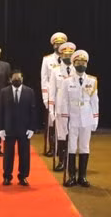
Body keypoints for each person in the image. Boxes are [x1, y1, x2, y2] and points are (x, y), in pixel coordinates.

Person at [57, 50, 99, 187]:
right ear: (74, 64)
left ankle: (82, 177)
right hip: (72, 118)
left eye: (83, 63)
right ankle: (71, 177)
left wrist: (95, 119)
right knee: (71, 147)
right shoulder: (67, 82)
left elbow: (94, 101)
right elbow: (63, 101)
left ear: (86, 64)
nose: (81, 65)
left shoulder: (92, 81)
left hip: (86, 118)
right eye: (78, 63)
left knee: (84, 146)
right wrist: (64, 119)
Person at [0, 70, 37, 186]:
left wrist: (32, 128)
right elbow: (0, 111)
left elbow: (33, 110)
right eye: (14, 79)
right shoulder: (4, 92)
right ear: (10, 80)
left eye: (19, 79)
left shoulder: (29, 92)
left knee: (24, 154)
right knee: (8, 154)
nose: (17, 81)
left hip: (24, 129)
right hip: (9, 128)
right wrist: (0, 128)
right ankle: (7, 176)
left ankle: (23, 176)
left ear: (22, 79)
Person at [49, 41, 76, 171]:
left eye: (70, 55)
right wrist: (51, 110)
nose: (67, 57)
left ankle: (71, 163)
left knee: (73, 136)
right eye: (65, 55)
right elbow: (52, 92)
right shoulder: (55, 71)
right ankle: (61, 161)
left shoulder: (77, 70)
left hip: (74, 109)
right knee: (61, 135)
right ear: (61, 55)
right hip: (60, 108)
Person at [41, 32, 68, 157]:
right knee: (52, 123)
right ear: (53, 45)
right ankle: (52, 148)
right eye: (57, 44)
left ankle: (62, 149)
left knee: (64, 124)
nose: (59, 46)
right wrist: (46, 98)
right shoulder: (47, 60)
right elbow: (44, 80)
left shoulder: (70, 60)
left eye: (62, 44)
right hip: (52, 96)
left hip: (66, 98)